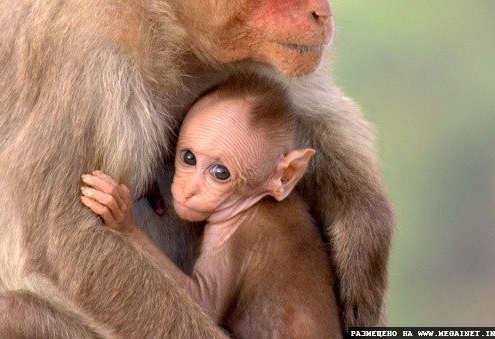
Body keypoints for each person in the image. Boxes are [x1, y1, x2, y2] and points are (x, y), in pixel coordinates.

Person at [81, 75, 342, 338]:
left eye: (220, 173)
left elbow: (199, 308)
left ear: (284, 177)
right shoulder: (259, 206)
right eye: (188, 158)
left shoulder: (247, 229)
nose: (189, 188)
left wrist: (129, 230)